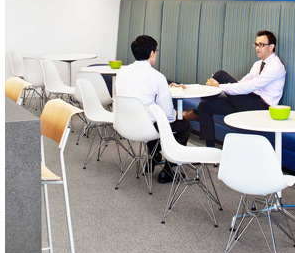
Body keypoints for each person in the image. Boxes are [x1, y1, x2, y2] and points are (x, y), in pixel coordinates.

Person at [183, 30, 285, 147]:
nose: (257, 48)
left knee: (220, 75)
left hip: (260, 107)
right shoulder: (258, 65)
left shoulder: (276, 66)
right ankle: (210, 151)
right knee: (205, 105)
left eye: (261, 44)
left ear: (271, 47)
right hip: (247, 101)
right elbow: (243, 82)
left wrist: (219, 86)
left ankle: (195, 112)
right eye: (256, 44)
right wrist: (217, 86)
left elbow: (250, 86)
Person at [114, 35, 192, 183]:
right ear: (151, 53)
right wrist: (178, 114)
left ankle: (153, 157)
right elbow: (169, 116)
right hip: (147, 128)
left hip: (125, 125)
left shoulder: (122, 73)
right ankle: (169, 171)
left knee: (152, 119)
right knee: (183, 126)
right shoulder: (157, 77)